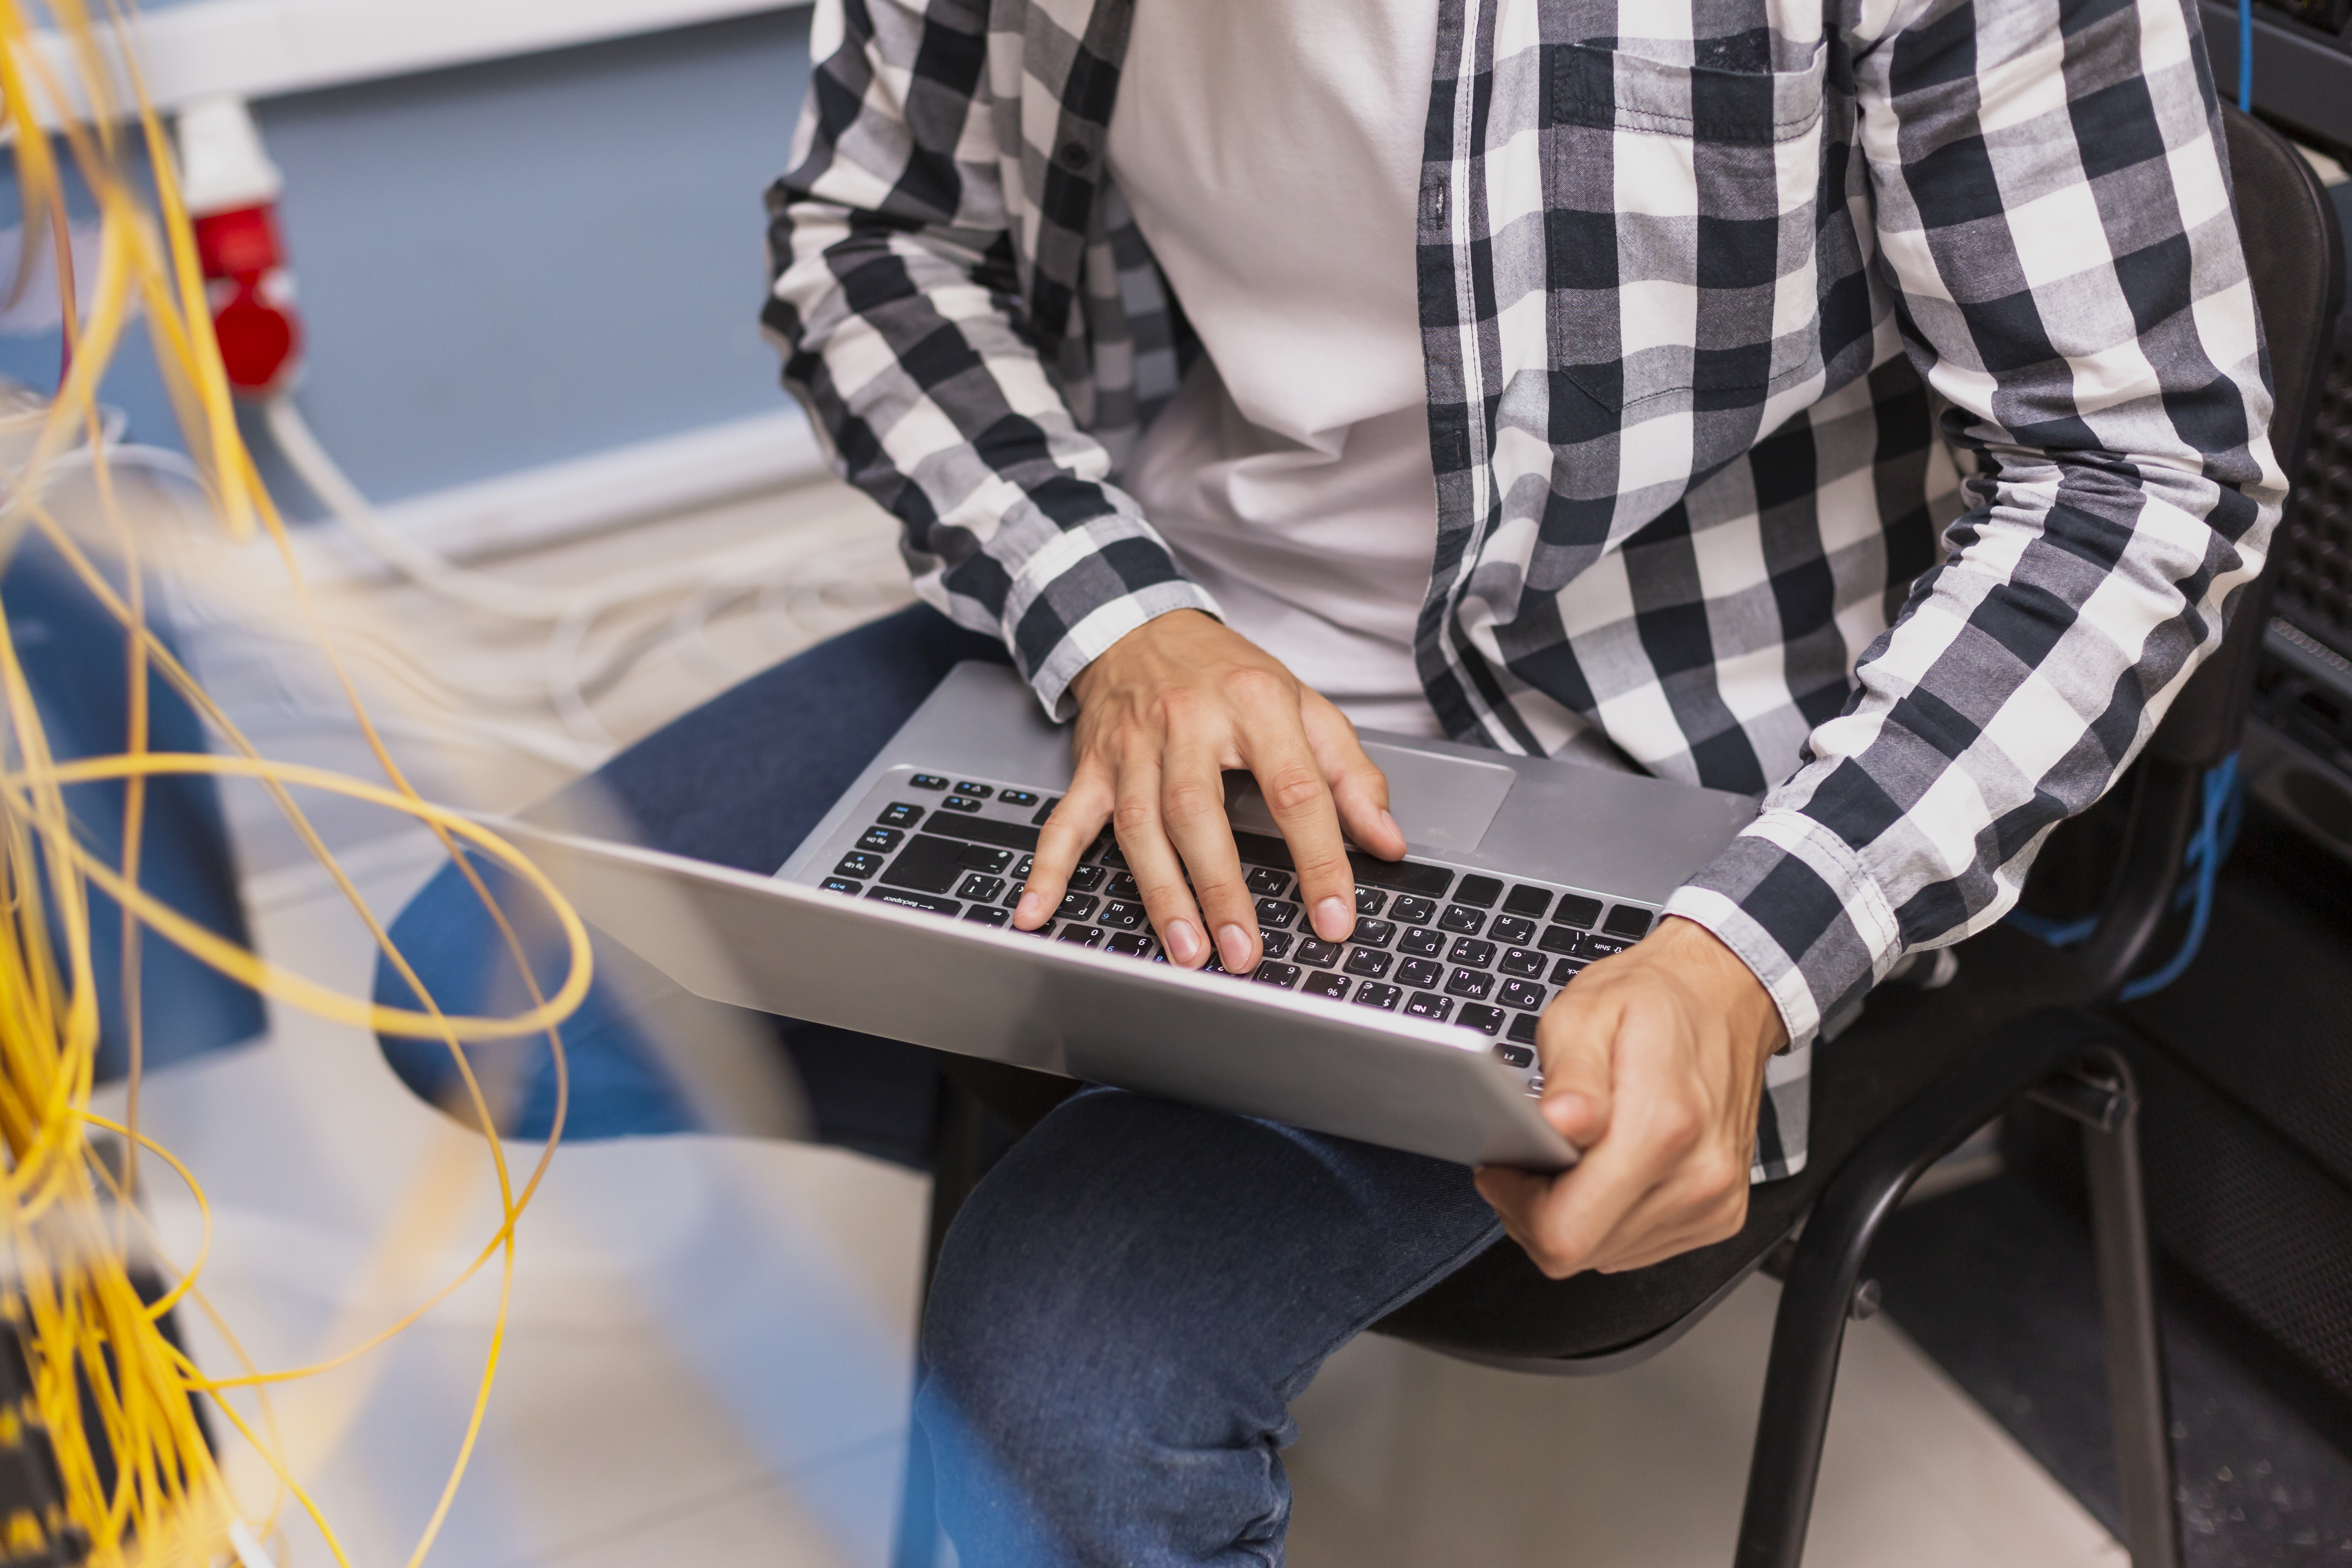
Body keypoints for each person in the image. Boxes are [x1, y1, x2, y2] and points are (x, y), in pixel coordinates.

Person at [379, 0, 2280, 1559]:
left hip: (1660, 777)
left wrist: (1744, 960)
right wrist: (1118, 620)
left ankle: (1170, 1157)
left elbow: (2138, 477)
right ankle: (1162, 1084)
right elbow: (871, 237)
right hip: (1151, 631)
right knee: (479, 991)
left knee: (1059, 1395)